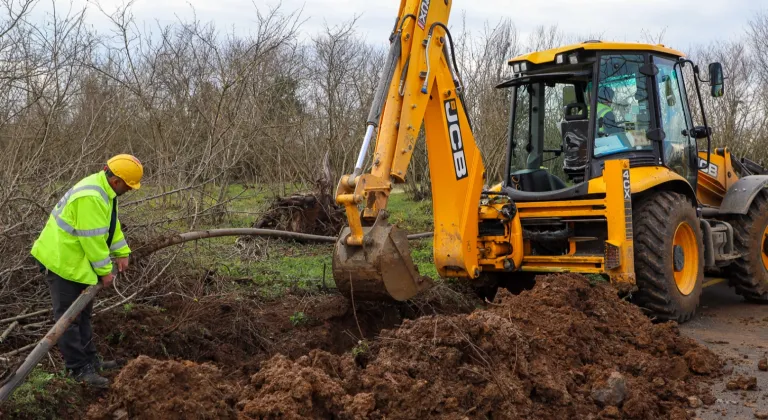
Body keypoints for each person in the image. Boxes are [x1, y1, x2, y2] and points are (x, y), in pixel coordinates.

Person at [30, 154, 143, 388]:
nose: (131, 190)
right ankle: (78, 369)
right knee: (69, 318)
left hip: (77, 262)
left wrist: (122, 252)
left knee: (83, 315)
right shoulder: (91, 196)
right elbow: (92, 239)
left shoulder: (106, 191)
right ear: (117, 180)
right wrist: (105, 271)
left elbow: (109, 227)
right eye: (129, 186)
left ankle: (91, 361)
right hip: (62, 262)